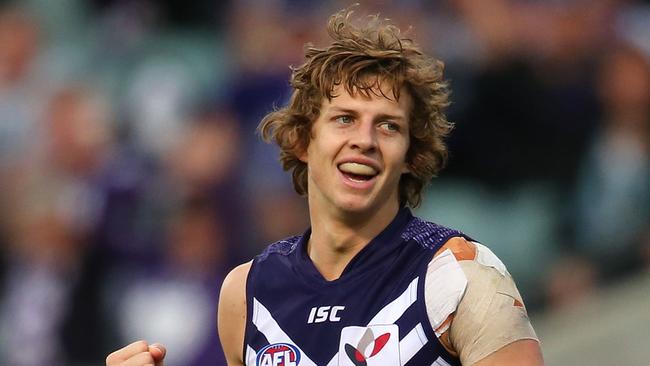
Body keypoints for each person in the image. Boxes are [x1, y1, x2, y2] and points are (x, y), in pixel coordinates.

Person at [106, 8, 544, 366]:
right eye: (344, 119)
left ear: (411, 155)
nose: (365, 140)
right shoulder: (246, 294)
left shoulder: (462, 277)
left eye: (388, 126)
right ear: (301, 141)